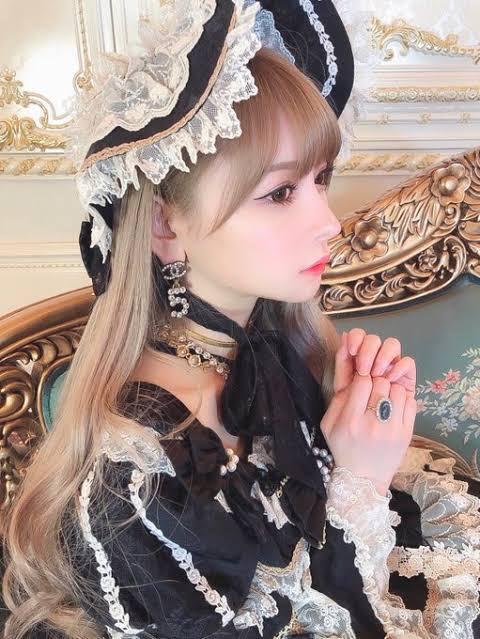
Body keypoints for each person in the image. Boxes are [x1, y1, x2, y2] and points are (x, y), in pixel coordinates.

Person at [2, 1, 480, 638]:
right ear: (166, 225)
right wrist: (359, 484)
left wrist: (362, 433)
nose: (329, 223)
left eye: (321, 180)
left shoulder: (281, 360)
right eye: (280, 193)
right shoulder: (136, 481)